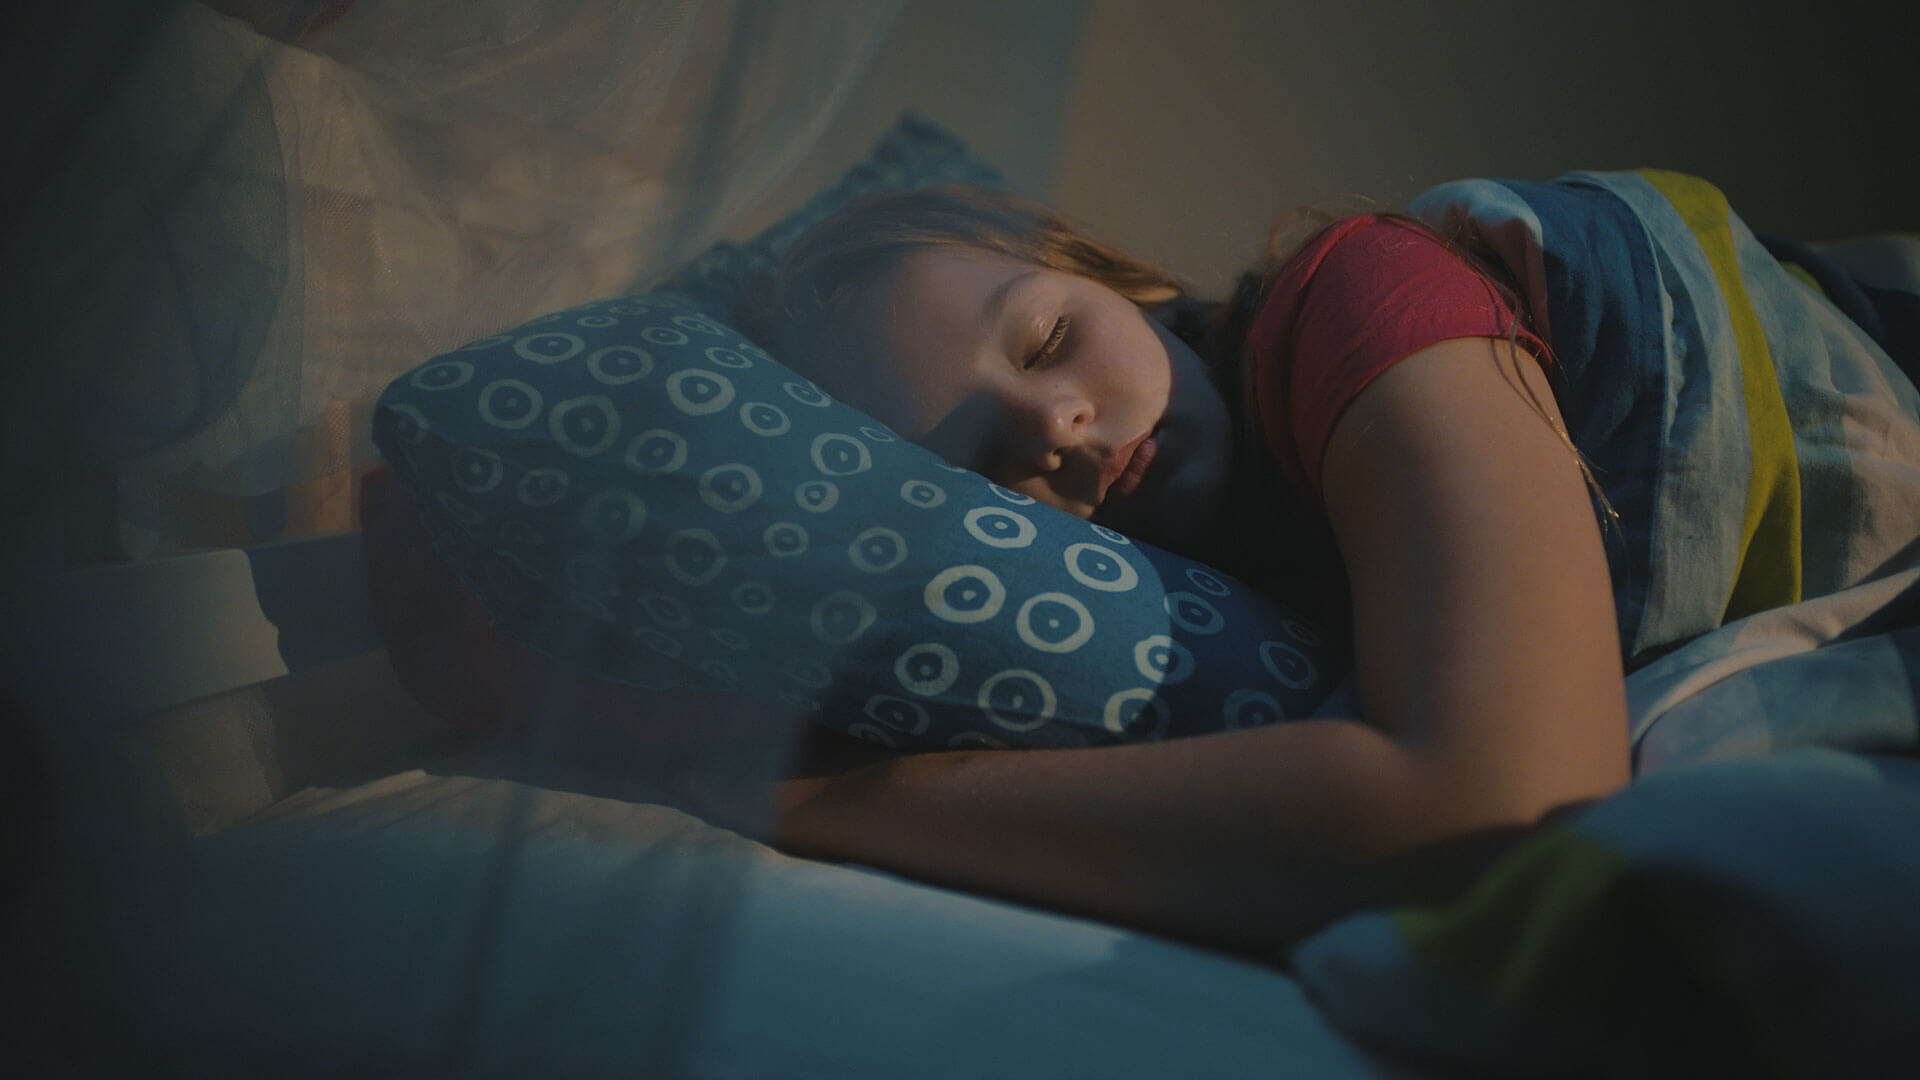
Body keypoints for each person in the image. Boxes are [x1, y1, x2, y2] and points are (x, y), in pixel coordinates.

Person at [728, 185, 1631, 953]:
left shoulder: (1357, 289)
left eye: (1047, 339)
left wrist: (836, 801)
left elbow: (1507, 815)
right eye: (974, 464)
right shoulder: (1245, 566)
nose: (1051, 422)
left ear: (1122, 286)